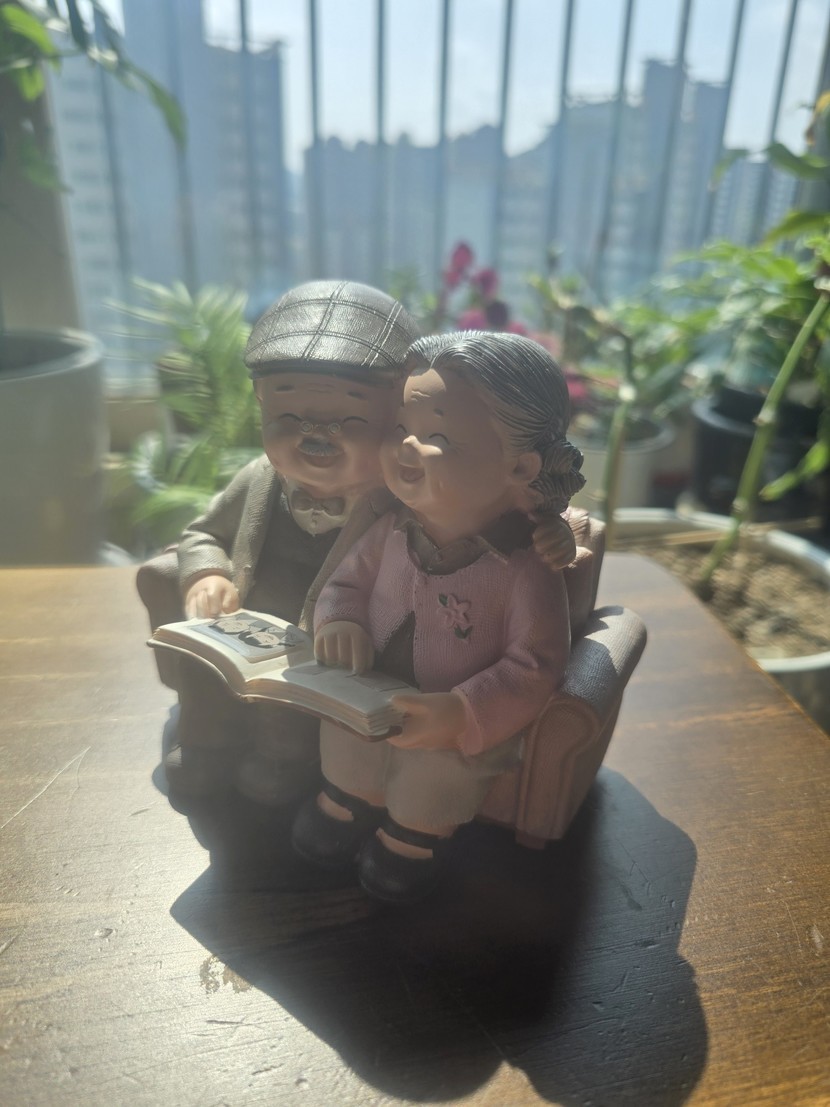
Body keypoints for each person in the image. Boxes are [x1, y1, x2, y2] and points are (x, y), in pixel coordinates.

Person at [291, 331, 585, 903]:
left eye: (437, 437)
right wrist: (341, 621)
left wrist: (461, 712)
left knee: (436, 774)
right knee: (349, 740)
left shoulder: (524, 567)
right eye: (402, 427)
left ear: (521, 465)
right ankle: (346, 800)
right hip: (371, 692)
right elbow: (346, 583)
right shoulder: (390, 529)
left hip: (457, 721)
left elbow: (535, 664)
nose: (405, 446)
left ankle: (413, 836)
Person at [157, 279, 419, 804]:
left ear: (398, 420)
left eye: (349, 421)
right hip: (241, 628)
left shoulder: (401, 504)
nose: (314, 435)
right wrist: (207, 572)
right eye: (287, 418)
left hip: (323, 648)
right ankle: (206, 745)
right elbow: (202, 532)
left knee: (292, 707)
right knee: (202, 671)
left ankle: (282, 760)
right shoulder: (260, 479)